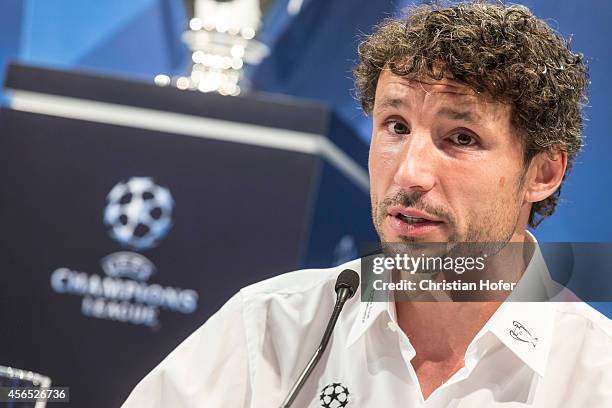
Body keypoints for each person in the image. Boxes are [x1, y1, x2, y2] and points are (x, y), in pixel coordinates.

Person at [122, 2, 612, 407]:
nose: (409, 173)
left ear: (542, 173)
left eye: (460, 137)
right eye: (395, 127)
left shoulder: (595, 374)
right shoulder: (272, 325)